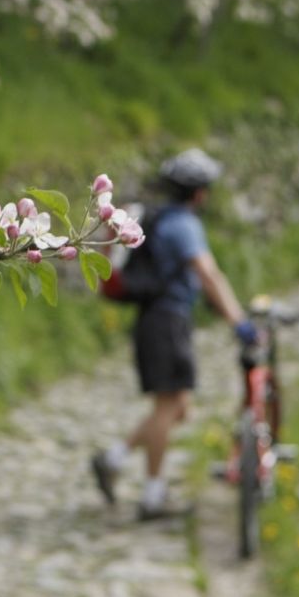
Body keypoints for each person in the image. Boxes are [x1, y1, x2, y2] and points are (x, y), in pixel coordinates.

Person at [90, 149, 257, 519]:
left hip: (157, 320)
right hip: (167, 322)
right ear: (199, 193)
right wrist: (238, 321)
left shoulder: (163, 219)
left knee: (178, 407)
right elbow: (208, 274)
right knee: (168, 408)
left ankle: (114, 459)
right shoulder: (184, 225)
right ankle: (152, 496)